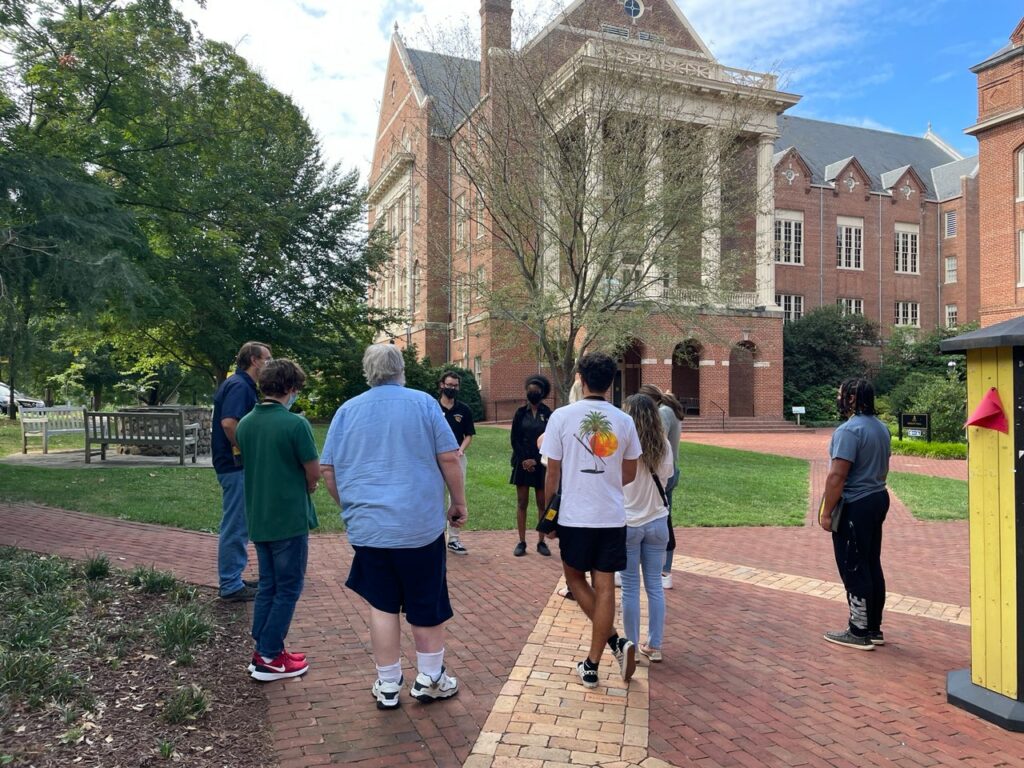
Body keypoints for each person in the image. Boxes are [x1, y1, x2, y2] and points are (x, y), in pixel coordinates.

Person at [320, 344, 467, 710]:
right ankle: (431, 677)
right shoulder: (422, 403)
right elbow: (448, 456)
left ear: (367, 372)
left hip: (370, 529)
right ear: (401, 370)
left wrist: (351, 506)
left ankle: (388, 684)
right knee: (425, 599)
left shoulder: (346, 411)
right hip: (418, 525)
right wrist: (458, 502)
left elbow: (328, 469)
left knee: (382, 604)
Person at [541, 351, 641, 689]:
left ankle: (611, 645)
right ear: (612, 381)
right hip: (611, 515)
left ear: (580, 379)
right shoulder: (624, 421)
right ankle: (598, 658)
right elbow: (630, 471)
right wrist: (607, 480)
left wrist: (547, 515)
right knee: (605, 586)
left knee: (573, 579)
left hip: (574, 514)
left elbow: (552, 472)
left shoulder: (561, 417)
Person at [236, 359, 319, 681]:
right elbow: (312, 470)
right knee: (288, 587)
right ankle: (270, 656)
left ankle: (265, 648)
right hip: (288, 517)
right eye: (296, 387)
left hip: (260, 516)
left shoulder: (245, 424)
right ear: (289, 387)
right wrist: (309, 484)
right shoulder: (296, 424)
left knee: (268, 585)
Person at [819, 377, 891, 651]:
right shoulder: (881, 428)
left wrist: (827, 513)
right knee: (871, 562)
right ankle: (874, 627)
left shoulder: (849, 431)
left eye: (841, 395)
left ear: (851, 398)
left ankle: (858, 630)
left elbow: (837, 475)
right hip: (877, 498)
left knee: (853, 565)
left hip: (855, 503)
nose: (838, 398)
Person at [212, 341, 272, 602]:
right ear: (254, 360)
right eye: (267, 358)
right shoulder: (239, 386)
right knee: (236, 524)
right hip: (235, 466)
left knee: (240, 523)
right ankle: (230, 584)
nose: (270, 363)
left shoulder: (242, 385)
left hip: (234, 465)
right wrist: (247, 450)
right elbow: (228, 423)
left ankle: (233, 578)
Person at [619, 394, 673, 663]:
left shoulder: (623, 444)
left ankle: (630, 646)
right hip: (657, 520)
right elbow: (668, 477)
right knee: (654, 585)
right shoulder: (663, 444)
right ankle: (655, 644)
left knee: (629, 587)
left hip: (628, 522)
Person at [638, 384, 685, 589]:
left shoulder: (663, 413)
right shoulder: (667, 410)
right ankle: (659, 568)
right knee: (661, 518)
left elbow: (657, 442)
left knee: (662, 519)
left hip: (662, 473)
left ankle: (664, 570)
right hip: (666, 471)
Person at [510, 375, 553, 557]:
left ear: (542, 393)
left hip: (540, 463)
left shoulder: (548, 413)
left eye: (536, 390)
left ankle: (541, 541)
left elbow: (550, 439)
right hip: (522, 463)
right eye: (530, 390)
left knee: (541, 503)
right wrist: (524, 460)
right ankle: (521, 541)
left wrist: (536, 459)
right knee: (522, 502)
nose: (532, 393)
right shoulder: (520, 413)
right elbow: (515, 439)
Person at [438, 371, 475, 556]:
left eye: (455, 386)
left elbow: (469, 435)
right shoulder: (433, 408)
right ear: (441, 385)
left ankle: (453, 539)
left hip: (457, 459)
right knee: (435, 495)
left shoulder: (464, 410)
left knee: (456, 496)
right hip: (435, 460)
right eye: (449, 385)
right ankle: (435, 535)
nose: (451, 388)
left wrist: (461, 450)